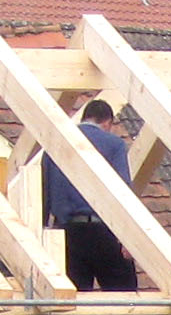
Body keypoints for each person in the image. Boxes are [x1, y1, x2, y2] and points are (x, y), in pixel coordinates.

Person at [44, 96, 139, 293]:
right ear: (107, 123)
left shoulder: (54, 145)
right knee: (124, 297)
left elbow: (44, 192)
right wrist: (127, 238)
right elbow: (123, 192)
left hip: (65, 234)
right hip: (100, 230)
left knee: (72, 300)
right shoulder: (113, 144)